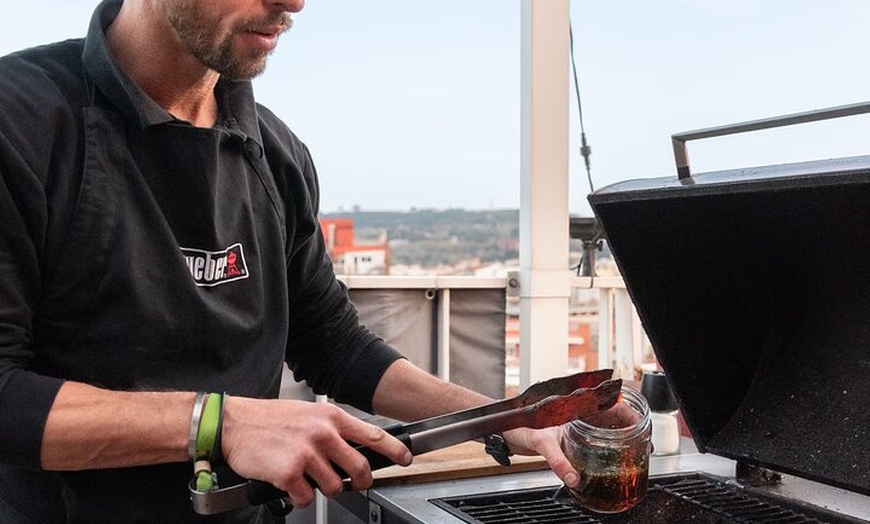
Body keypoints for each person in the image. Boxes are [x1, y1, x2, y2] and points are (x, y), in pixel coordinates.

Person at [0, 0, 580, 522]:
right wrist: (219, 423)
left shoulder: (276, 154)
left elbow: (336, 345)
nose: (293, 3)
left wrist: (511, 418)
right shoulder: (20, 119)